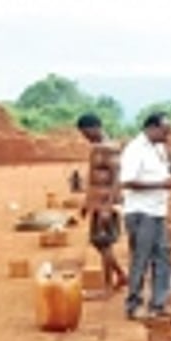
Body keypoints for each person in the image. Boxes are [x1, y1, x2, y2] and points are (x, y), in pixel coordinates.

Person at [119, 111, 171, 320]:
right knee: (141, 258)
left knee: (163, 258)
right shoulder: (134, 149)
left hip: (158, 211)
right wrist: (162, 184)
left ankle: (159, 303)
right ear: (152, 128)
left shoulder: (159, 148)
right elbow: (127, 181)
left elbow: (164, 175)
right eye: (165, 130)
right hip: (141, 212)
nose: (169, 134)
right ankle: (134, 305)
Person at [76, 112, 126, 294]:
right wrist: (87, 202)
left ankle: (108, 286)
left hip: (105, 201)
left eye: (86, 133)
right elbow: (93, 179)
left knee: (104, 242)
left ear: (95, 128)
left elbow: (116, 179)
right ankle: (120, 275)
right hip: (97, 201)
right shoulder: (97, 148)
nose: (85, 137)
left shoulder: (108, 149)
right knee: (98, 242)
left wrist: (107, 206)